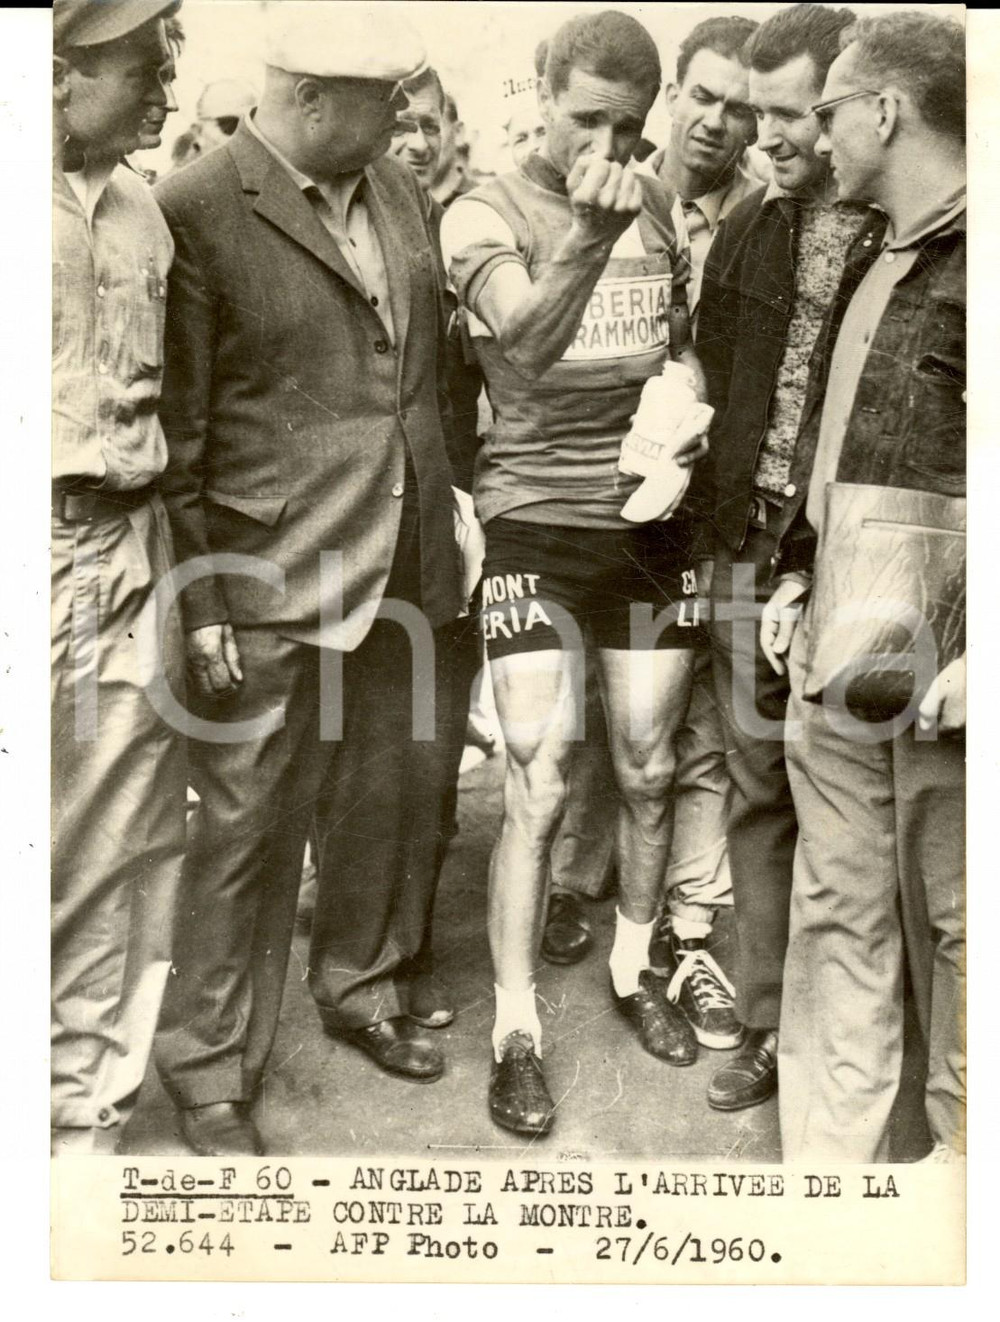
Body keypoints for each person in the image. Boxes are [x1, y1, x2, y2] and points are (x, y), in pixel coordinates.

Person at [152, 5, 464, 1156]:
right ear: (315, 97)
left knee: (380, 797)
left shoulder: (395, 190)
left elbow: (416, 378)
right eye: (389, 100)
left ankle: (363, 986)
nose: (408, 122)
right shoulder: (195, 207)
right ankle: (208, 1068)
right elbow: (179, 434)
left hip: (397, 557)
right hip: (266, 574)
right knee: (242, 834)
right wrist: (203, 598)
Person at [442, 9, 712, 1137]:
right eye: (585, 117)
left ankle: (633, 962)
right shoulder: (481, 211)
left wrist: (678, 414)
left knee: (647, 767)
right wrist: (592, 238)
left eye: (628, 126)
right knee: (541, 768)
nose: (608, 144)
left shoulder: (652, 199)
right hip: (537, 520)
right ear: (539, 95)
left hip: (645, 519)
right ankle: (514, 1025)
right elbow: (529, 340)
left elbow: (675, 338)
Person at [763, 10, 966, 1162]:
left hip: (952, 667)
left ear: (884, 111)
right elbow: (834, 444)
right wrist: (796, 567)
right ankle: (827, 1179)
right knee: (836, 908)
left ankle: (958, 1183)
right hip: (839, 649)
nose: (815, 133)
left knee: (962, 925)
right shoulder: (863, 249)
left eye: (827, 110)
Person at [696, 2, 876, 1114]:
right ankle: (767, 1026)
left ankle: (853, 1049)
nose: (768, 136)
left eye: (792, 114)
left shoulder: (895, 227)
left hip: (851, 558)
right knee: (758, 791)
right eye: (756, 113)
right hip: (742, 545)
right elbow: (710, 381)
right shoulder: (747, 224)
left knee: (857, 805)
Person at [51, 0, 185, 1157]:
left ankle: (77, 1117)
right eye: (147, 59)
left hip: (123, 551)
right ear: (56, 71)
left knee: (110, 843)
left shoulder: (143, 210)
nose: (169, 82)